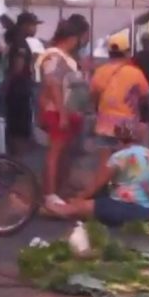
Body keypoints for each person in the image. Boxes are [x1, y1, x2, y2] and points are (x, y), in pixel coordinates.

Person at [46, 122, 149, 227]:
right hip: (147, 210)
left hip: (122, 208)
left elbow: (97, 184)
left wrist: (78, 199)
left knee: (79, 207)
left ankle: (63, 209)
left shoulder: (119, 156)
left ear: (119, 140)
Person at [37, 16, 90, 209]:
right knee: (55, 153)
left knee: (64, 153)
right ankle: (50, 194)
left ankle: (60, 189)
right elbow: (53, 84)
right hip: (58, 112)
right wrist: (62, 114)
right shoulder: (53, 56)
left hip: (69, 111)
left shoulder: (66, 57)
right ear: (73, 37)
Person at [91, 35, 149, 167]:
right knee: (126, 162)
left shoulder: (100, 71)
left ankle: (104, 185)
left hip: (104, 122)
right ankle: (123, 186)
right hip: (126, 123)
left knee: (105, 163)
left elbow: (94, 96)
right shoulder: (135, 72)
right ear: (127, 52)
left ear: (109, 53)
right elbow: (145, 96)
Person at [4, 11, 42, 154]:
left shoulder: (18, 40)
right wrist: (7, 84)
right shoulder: (20, 42)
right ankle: (17, 159)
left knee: (18, 123)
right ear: (25, 25)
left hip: (20, 86)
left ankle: (17, 157)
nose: (35, 29)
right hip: (19, 87)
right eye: (33, 25)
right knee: (18, 125)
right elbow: (18, 67)